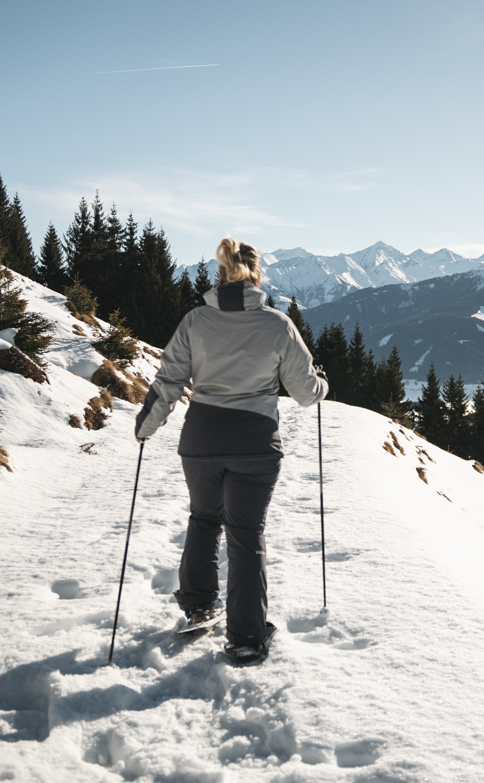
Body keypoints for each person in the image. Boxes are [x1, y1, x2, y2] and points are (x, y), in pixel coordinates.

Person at [134, 238, 327, 664]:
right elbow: (305, 393)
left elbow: (168, 381)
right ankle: (246, 635)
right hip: (255, 444)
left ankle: (199, 604)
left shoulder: (195, 321)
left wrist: (146, 426)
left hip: (201, 440)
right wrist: (322, 383)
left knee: (204, 519)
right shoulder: (278, 325)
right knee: (245, 533)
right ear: (258, 276)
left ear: (220, 275)